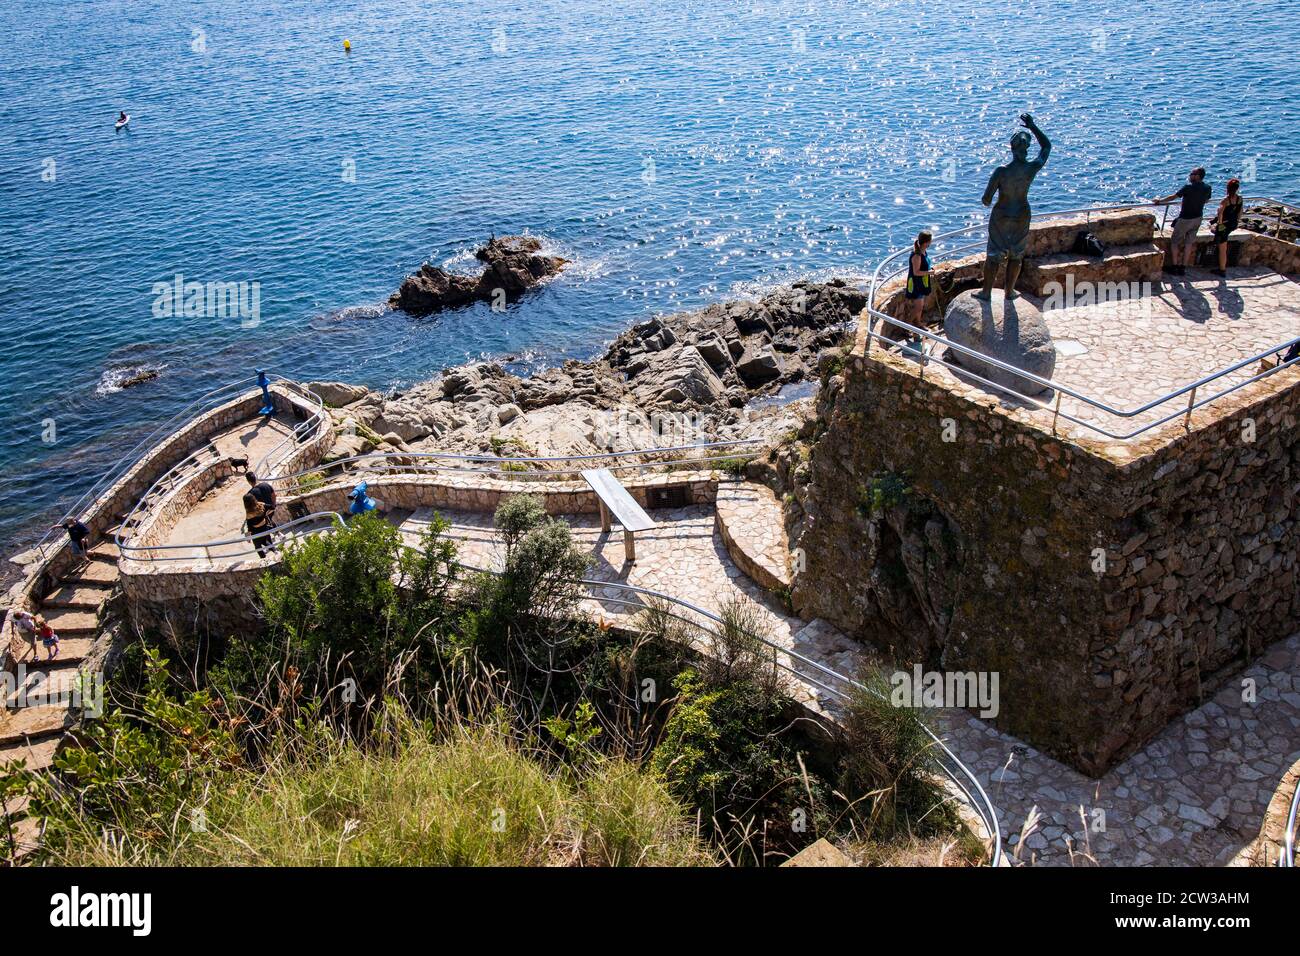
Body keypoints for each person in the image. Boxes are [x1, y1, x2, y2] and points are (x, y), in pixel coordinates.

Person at [977, 113, 1051, 301]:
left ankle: (986, 292)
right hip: (1022, 213)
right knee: (1016, 254)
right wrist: (1033, 126)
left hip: (1001, 215)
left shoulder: (1001, 172)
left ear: (1012, 148)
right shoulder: (1031, 168)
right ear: (1026, 148)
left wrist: (987, 198)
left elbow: (986, 199)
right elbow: (1046, 146)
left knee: (994, 253)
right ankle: (1009, 291)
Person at [1152, 167, 1211, 276]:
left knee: (1175, 242)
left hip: (1185, 219)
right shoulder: (1207, 188)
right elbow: (1207, 200)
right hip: (1198, 218)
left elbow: (1173, 197)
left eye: (1192, 174)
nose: (1190, 176)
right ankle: (1183, 268)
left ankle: (1175, 267)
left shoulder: (1188, 187)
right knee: (1189, 243)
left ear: (1198, 176)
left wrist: (1159, 201)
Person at [1208, 178, 1243, 277]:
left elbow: (1220, 213)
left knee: (1223, 248)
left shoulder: (1225, 200)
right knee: (1223, 246)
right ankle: (1221, 268)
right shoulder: (1240, 199)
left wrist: (1219, 224)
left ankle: (1222, 269)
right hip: (1232, 224)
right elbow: (1240, 213)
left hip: (1224, 226)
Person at [905, 231, 934, 328]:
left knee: (920, 306)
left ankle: (917, 322)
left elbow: (924, 266)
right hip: (916, 284)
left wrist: (930, 269)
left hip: (922, 283)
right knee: (918, 307)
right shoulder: (917, 255)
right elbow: (916, 272)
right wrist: (929, 273)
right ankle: (905, 326)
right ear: (926, 242)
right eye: (930, 241)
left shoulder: (923, 252)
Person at [242, 492, 275, 558]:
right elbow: (272, 507)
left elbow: (250, 528)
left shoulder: (249, 513)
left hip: (256, 533)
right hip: (265, 528)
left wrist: (248, 537)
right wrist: (265, 514)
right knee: (268, 542)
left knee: (258, 547)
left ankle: (264, 560)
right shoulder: (261, 505)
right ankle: (276, 553)